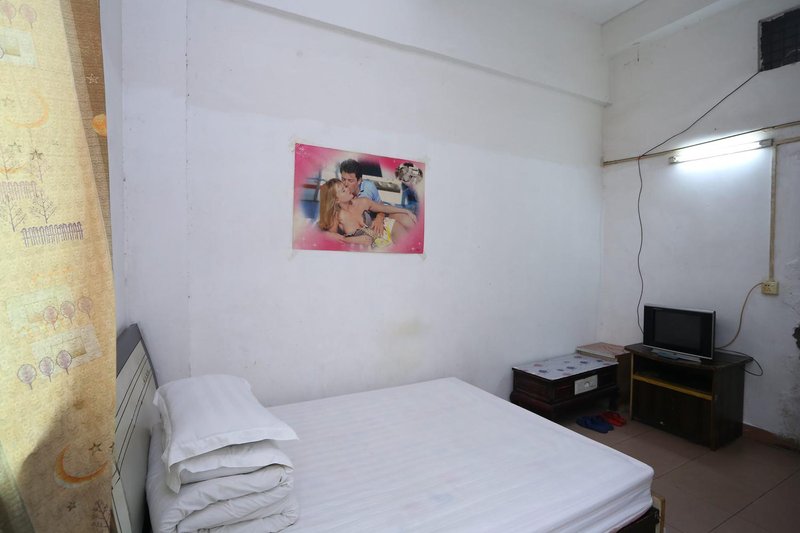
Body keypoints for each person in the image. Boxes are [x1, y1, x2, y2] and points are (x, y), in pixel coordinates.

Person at [318, 179, 416, 248]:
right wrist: (351, 240)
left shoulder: (362, 201)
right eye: (343, 190)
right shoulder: (338, 217)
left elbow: (384, 208)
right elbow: (327, 235)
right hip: (375, 246)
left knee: (411, 247)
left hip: (387, 229)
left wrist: (406, 211)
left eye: (345, 187)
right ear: (336, 200)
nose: (348, 189)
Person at [339, 159, 386, 235]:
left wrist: (379, 219)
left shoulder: (369, 187)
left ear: (359, 181)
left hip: (372, 226)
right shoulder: (339, 192)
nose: (345, 184)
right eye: (343, 179)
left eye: (350, 181)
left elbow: (381, 206)